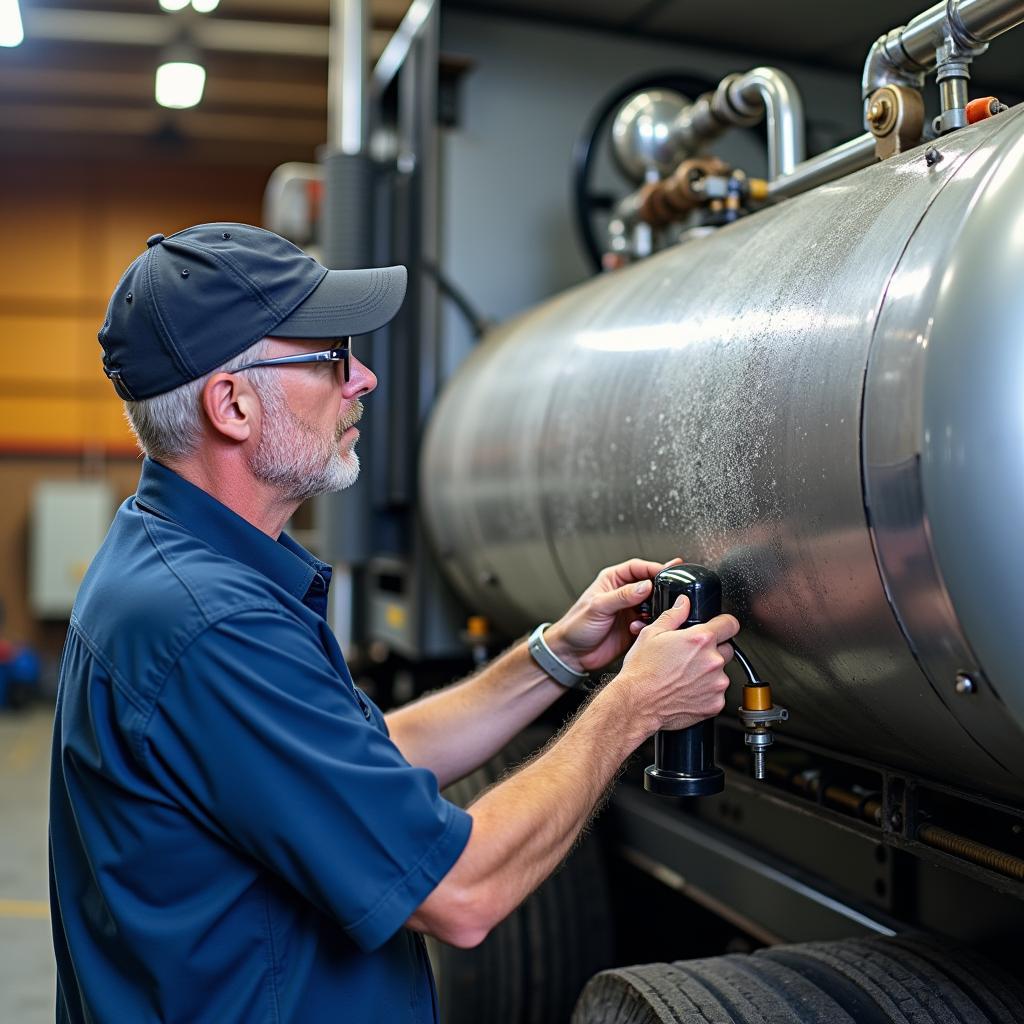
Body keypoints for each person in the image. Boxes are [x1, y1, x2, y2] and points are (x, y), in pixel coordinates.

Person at [49, 223, 740, 1024]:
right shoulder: (213, 625)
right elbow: (462, 892)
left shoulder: (169, 558)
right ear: (231, 405)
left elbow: (362, 761)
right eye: (330, 357)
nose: (365, 378)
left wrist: (555, 656)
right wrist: (633, 709)